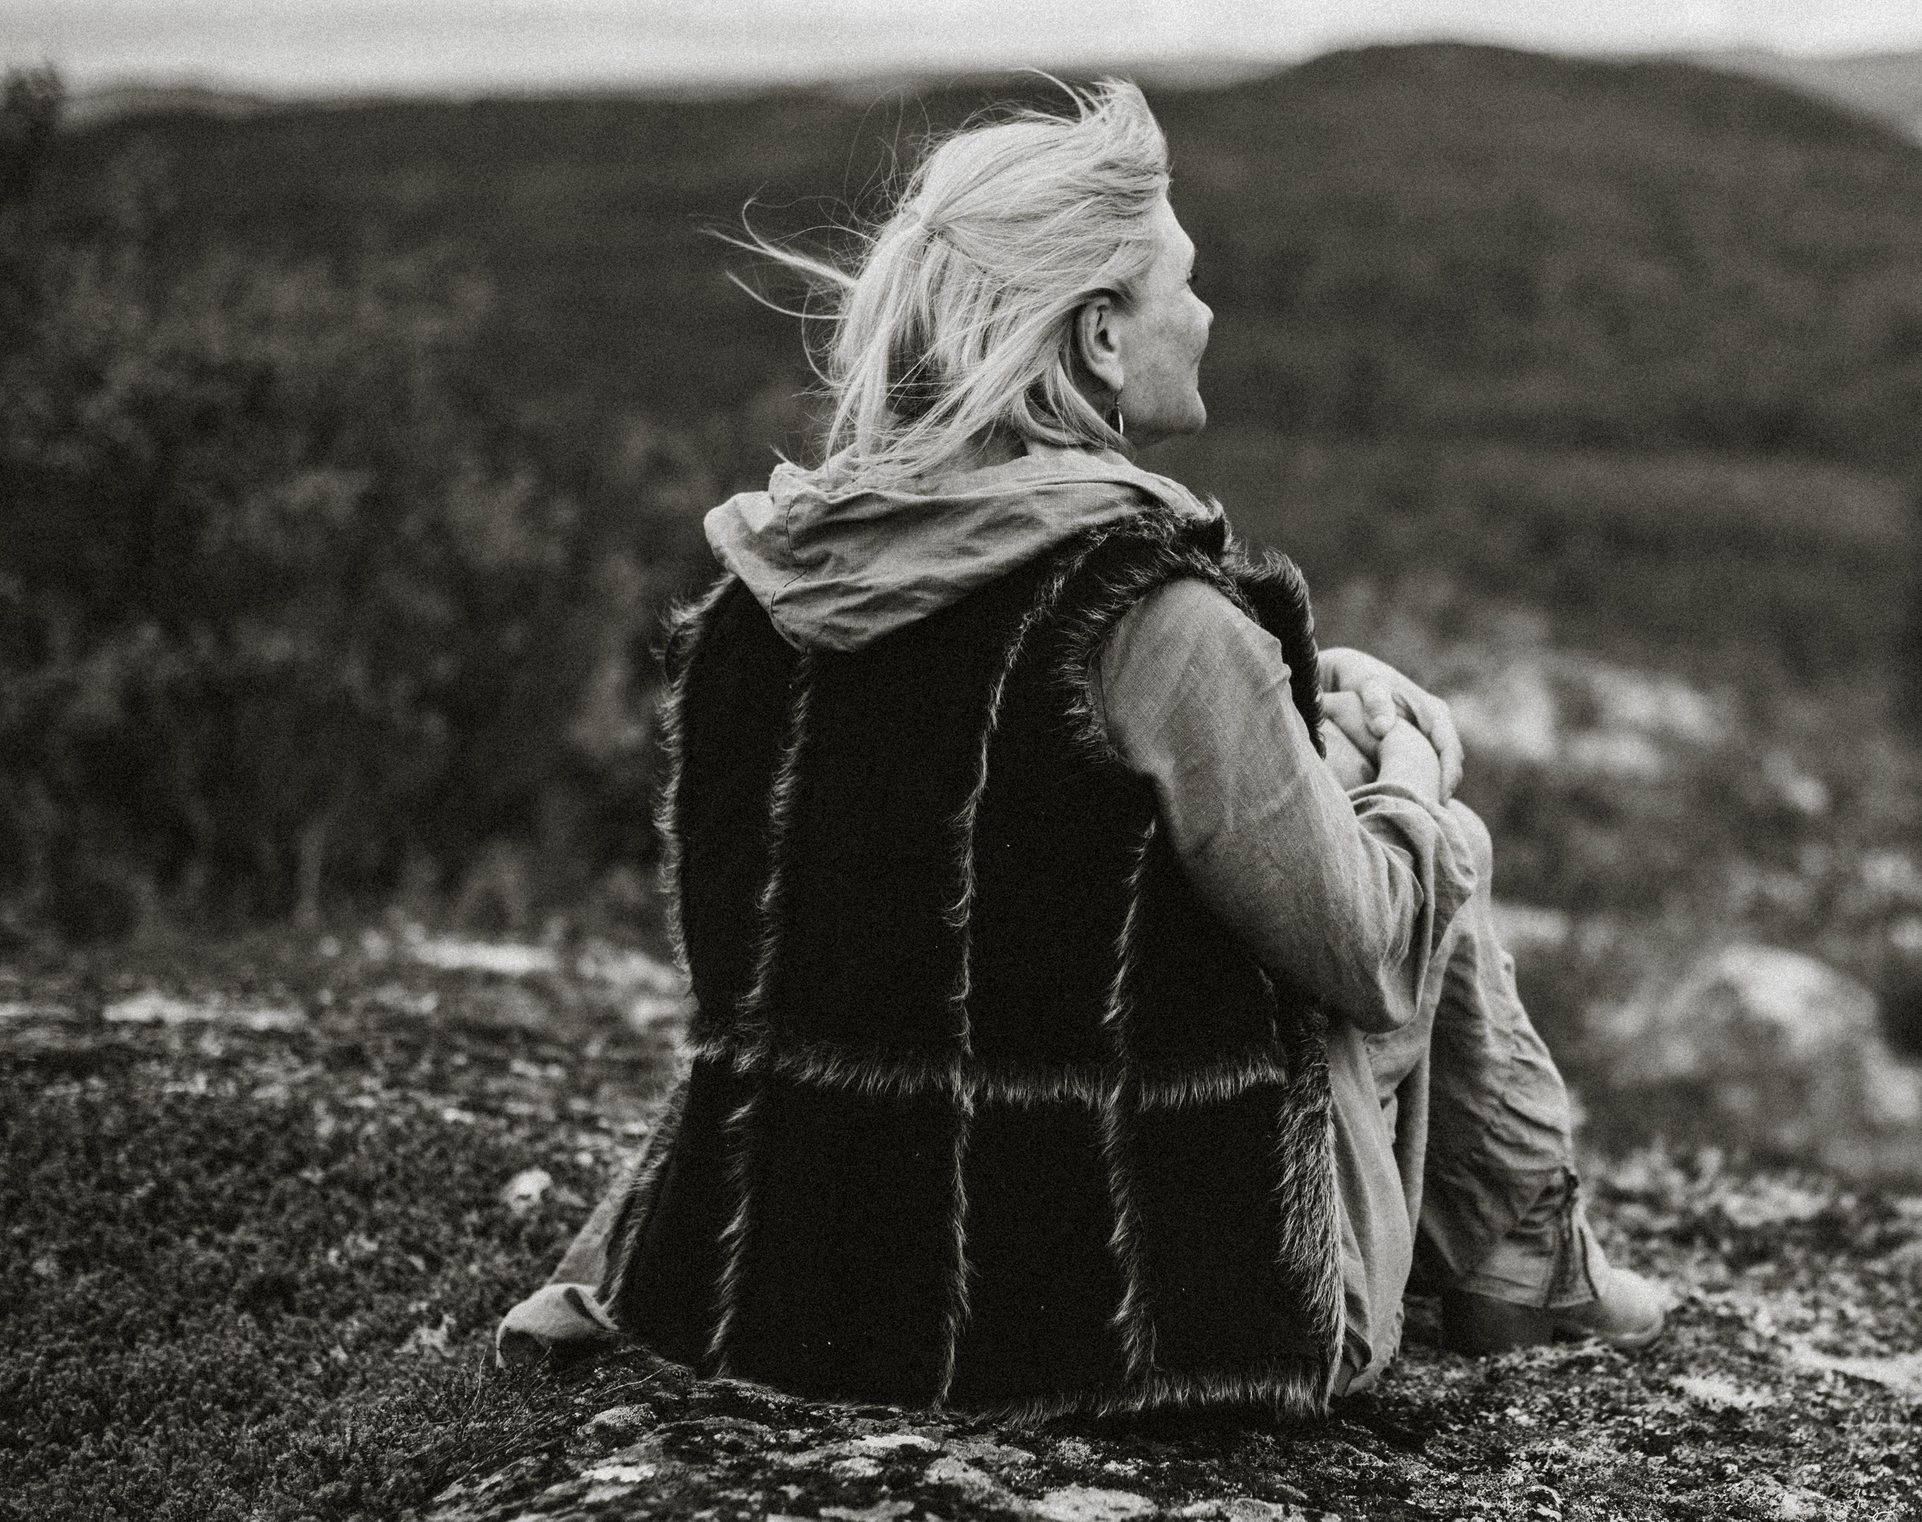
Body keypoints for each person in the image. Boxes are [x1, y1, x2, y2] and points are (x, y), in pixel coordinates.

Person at [497, 80, 1670, 1415]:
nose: (1210, 312)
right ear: (1102, 337)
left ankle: (1537, 1254)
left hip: (786, 1289)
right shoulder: (1154, 625)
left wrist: (1289, 705)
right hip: (1129, 1312)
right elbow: (1375, 958)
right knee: (1435, 849)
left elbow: (967, 835)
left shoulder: (760, 599)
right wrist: (1407, 761)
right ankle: (1532, 1257)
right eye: (1185, 281)